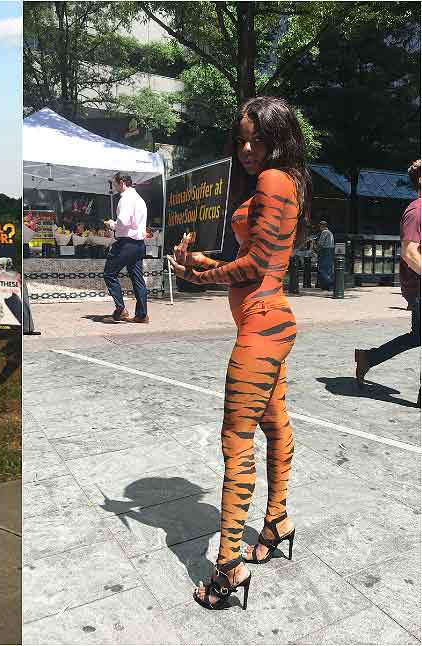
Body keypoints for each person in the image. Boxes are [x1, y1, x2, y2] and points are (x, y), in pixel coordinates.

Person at [167, 96, 311, 610]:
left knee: (236, 440)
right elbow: (252, 259)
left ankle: (228, 567)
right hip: (271, 320)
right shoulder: (283, 180)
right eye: (241, 138)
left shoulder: (274, 180)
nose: (248, 148)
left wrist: (196, 275)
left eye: (258, 138)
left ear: (279, 135)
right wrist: (199, 262)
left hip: (263, 326)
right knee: (274, 422)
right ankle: (276, 523)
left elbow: (254, 267)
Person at [355, 159, 421, 404]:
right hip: (418, 287)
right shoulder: (417, 211)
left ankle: (368, 359)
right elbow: (409, 252)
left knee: (418, 337)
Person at [102, 173, 150, 323]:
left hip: (126, 243)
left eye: (115, 184)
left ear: (122, 182)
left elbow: (123, 221)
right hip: (138, 244)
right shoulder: (139, 199)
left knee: (109, 273)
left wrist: (112, 224)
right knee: (137, 278)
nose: (115, 187)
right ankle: (142, 314)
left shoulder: (127, 198)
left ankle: (121, 309)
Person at [313, 221, 335, 289]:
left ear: (321, 226)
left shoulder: (324, 232)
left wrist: (315, 246)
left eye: (320, 226)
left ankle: (329, 283)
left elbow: (321, 244)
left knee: (322, 268)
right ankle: (323, 284)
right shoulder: (330, 232)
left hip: (325, 251)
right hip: (330, 250)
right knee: (328, 268)